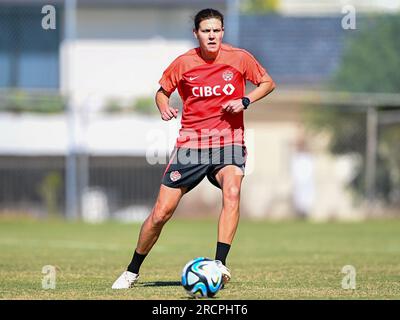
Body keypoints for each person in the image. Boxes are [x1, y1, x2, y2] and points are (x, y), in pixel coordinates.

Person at [112, 8, 275, 289]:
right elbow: (162, 92)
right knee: (162, 212)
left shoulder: (239, 58)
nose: (212, 36)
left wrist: (245, 101)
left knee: (232, 191)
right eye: (206, 31)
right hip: (191, 146)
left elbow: (267, 82)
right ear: (196, 33)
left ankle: (219, 264)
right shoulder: (184, 63)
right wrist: (164, 107)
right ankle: (132, 270)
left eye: (216, 30)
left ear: (223, 32)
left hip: (228, 142)